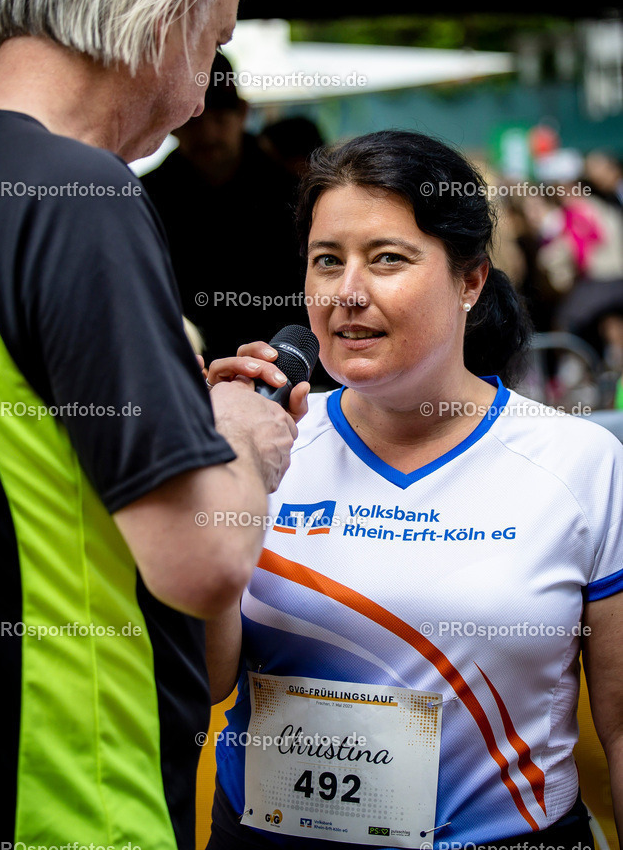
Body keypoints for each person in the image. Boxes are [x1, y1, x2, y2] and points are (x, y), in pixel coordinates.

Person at [0, 0, 309, 850]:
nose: (198, 98)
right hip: (66, 791)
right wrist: (237, 433)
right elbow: (203, 557)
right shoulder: (82, 194)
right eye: (215, 39)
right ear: (167, 3)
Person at [203, 131, 623, 850]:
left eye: (387, 258)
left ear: (470, 281)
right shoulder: (266, 444)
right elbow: (203, 682)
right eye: (326, 261)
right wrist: (214, 474)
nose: (347, 292)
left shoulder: (577, 459)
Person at [143, 52, 306, 361]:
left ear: (242, 112)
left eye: (219, 118)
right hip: (187, 366)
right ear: (171, 123)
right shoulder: (147, 197)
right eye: (193, 120)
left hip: (284, 363)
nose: (207, 135)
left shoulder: (292, 191)